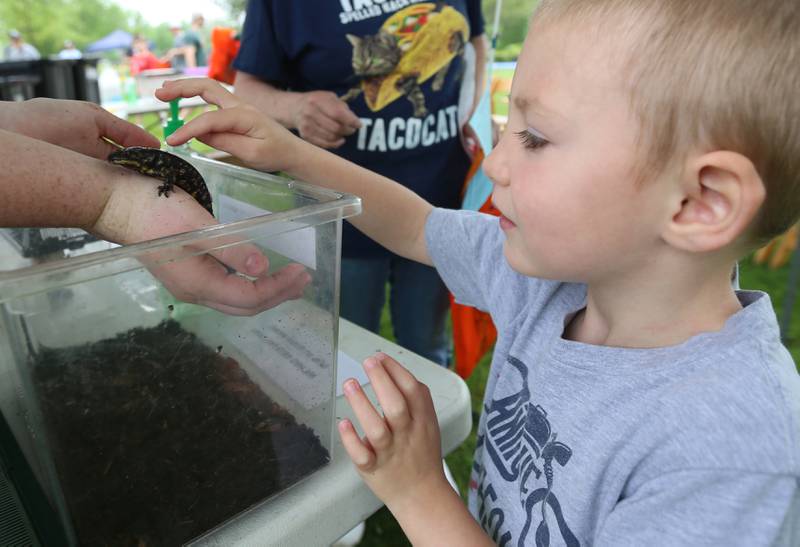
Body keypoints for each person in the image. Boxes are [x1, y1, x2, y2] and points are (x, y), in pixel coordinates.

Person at [159, 0, 800, 540]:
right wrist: (290, 152)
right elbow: (415, 224)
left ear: (700, 201)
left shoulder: (729, 455)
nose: (494, 165)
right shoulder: (546, 282)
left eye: (537, 137)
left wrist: (417, 492)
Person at [232, 0, 488, 366]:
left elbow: (475, 40)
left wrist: (475, 110)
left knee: (428, 349)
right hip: (341, 215)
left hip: (439, 203)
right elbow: (245, 88)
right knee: (342, 354)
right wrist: (297, 108)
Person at [0, 98, 309, 316]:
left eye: (122, 161)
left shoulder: (147, 166)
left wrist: (11, 122)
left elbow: (171, 175)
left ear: (131, 162)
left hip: (196, 191)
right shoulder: (141, 165)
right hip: (180, 185)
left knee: (205, 218)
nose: (118, 163)